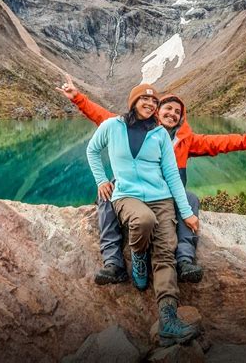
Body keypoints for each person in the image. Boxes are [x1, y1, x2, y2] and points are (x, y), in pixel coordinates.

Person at [57, 74, 246, 284]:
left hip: (164, 194)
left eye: (177, 112)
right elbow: (100, 115)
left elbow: (220, 142)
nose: (172, 114)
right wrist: (77, 98)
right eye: (167, 108)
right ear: (157, 111)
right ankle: (114, 263)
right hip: (132, 191)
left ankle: (185, 260)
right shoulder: (128, 126)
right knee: (106, 194)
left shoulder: (186, 140)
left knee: (190, 200)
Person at [86, 83, 200, 346]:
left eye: (153, 101)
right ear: (134, 101)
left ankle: (168, 319)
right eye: (145, 100)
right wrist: (102, 180)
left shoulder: (159, 134)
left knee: (165, 252)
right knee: (143, 220)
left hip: (160, 197)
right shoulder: (113, 126)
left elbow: (171, 174)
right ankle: (137, 255)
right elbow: (92, 150)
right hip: (127, 194)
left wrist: (185, 212)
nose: (150, 104)